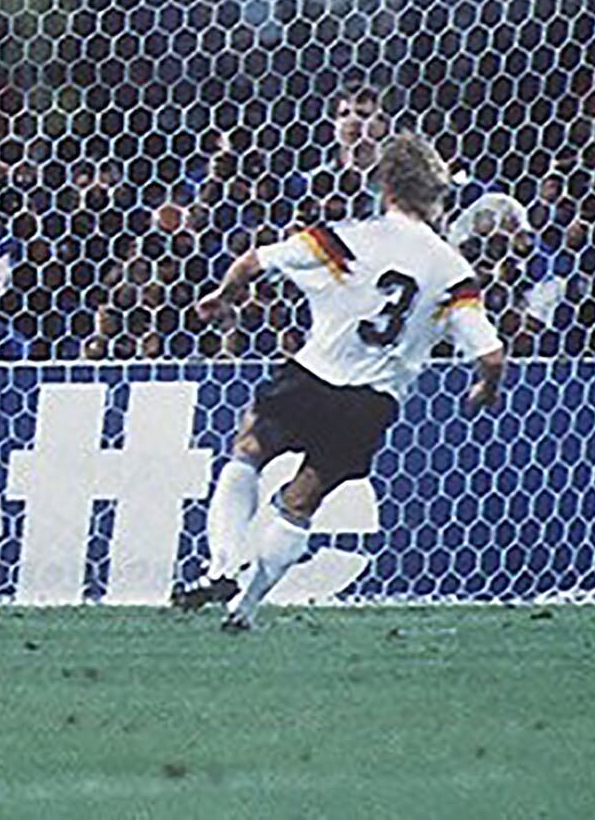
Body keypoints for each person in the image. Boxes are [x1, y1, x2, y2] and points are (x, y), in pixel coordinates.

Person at [176, 135, 505, 630]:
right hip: (370, 404)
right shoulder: (453, 271)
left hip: (312, 378)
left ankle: (221, 565)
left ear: (385, 185)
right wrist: (485, 389)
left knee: (248, 449)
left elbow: (250, 263)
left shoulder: (347, 237)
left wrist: (223, 297)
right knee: (301, 500)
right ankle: (244, 608)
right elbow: (493, 355)